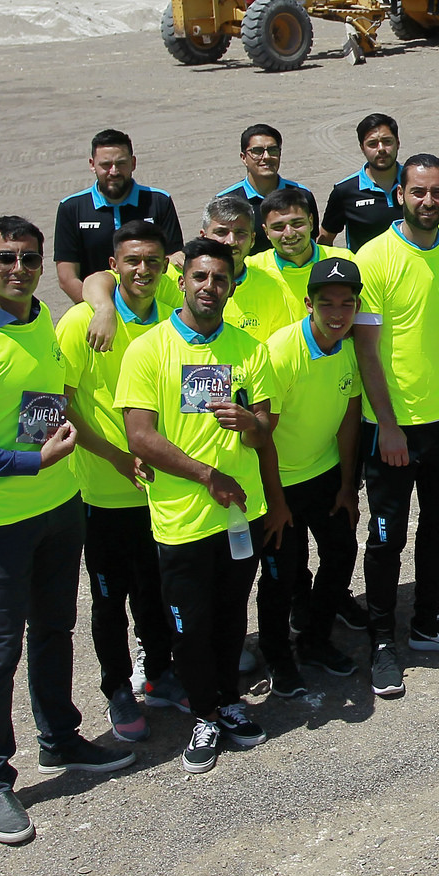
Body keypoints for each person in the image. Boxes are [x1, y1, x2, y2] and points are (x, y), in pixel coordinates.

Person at [0, 216, 131, 845]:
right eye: (6, 258)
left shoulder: (42, 321)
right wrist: (29, 462)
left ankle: (59, 738)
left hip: (58, 506)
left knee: (53, 629)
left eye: (30, 259)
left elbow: (48, 402)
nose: (19, 269)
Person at [117, 237, 280, 774]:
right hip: (182, 520)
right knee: (189, 626)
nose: (210, 287)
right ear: (183, 280)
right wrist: (208, 475)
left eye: (221, 279)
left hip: (240, 515)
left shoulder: (249, 350)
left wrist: (250, 423)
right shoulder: (148, 351)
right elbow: (140, 436)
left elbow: (265, 429)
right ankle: (203, 716)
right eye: (201, 277)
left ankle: (229, 703)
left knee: (232, 616)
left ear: (232, 287)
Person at [351, 153, 439, 697]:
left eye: (437, 192)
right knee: (386, 539)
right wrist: (388, 426)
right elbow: (366, 354)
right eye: (418, 192)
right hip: (392, 427)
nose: (428, 201)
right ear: (400, 196)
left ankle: (427, 621)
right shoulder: (375, 257)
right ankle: (381, 641)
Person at [54, 221, 177, 742]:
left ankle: (160, 673)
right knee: (110, 598)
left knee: (156, 588)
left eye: (152, 261)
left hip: (161, 489)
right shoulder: (80, 322)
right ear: (113, 266)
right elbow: (59, 405)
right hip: (102, 491)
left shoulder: (172, 312)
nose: (142, 270)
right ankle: (116, 688)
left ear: (165, 266)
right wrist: (116, 457)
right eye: (132, 261)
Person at [258, 255, 366, 688]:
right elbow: (263, 436)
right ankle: (277, 656)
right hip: (279, 480)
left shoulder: (350, 348)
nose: (337, 314)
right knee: (281, 574)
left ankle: (315, 641)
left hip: (324, 474)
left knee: (341, 552)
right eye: (326, 304)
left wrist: (347, 486)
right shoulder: (281, 352)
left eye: (346, 303)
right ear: (308, 304)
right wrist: (276, 502)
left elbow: (349, 419)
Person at [81, 195, 297, 350]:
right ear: (203, 235)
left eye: (240, 233)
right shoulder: (173, 276)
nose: (230, 241)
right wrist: (104, 309)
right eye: (221, 232)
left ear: (252, 239)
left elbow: (276, 349)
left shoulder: (270, 285)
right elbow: (101, 279)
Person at [53, 129, 184, 304]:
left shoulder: (159, 201)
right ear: (92, 165)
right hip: (94, 308)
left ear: (133, 163)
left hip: (152, 306)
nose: (113, 171)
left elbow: (174, 259)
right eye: (105, 165)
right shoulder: (71, 208)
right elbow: (67, 278)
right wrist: (100, 310)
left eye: (121, 163)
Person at [320, 114, 405, 252]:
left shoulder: (417, 183)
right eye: (372, 144)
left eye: (387, 141)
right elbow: (324, 241)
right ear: (362, 148)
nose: (381, 149)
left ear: (398, 143)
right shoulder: (345, 191)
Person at [220, 124, 305, 253]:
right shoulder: (226, 201)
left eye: (273, 150)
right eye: (257, 151)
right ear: (243, 158)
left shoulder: (301, 195)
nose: (266, 156)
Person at [261, 186, 353, 300]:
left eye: (297, 224)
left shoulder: (346, 261)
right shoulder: (254, 269)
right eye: (278, 227)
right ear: (266, 231)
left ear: (311, 222)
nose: (289, 234)